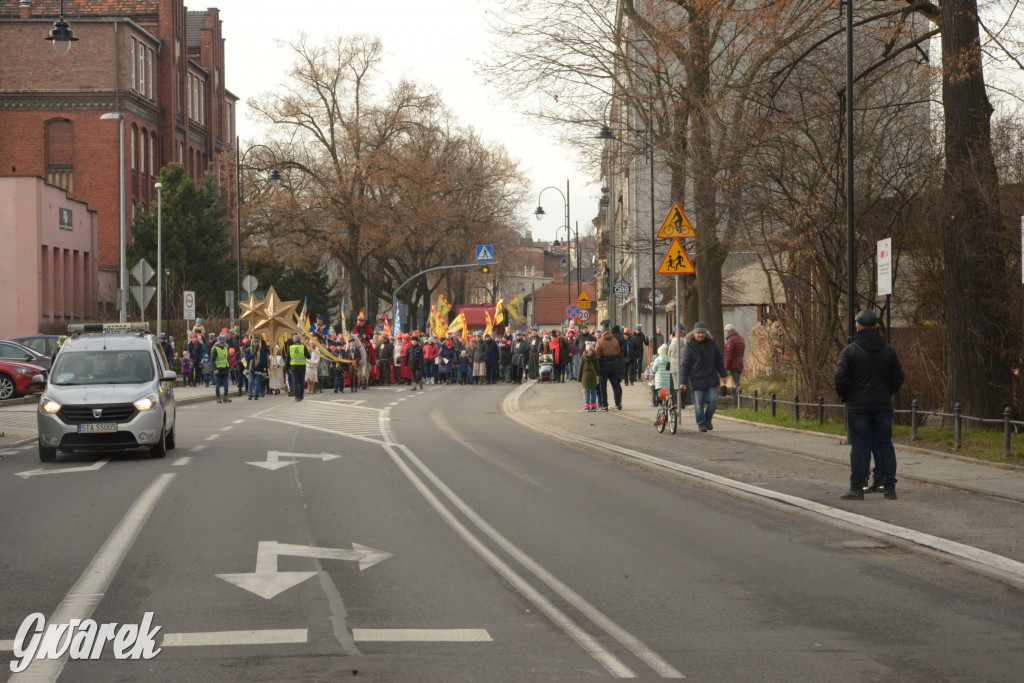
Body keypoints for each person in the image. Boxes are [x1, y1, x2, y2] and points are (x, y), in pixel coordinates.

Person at [833, 309, 905, 500]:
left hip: (858, 407)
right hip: (882, 405)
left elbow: (839, 378)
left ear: (857, 326)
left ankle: (857, 487)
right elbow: (898, 376)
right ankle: (889, 487)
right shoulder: (888, 350)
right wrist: (887, 392)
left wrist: (846, 396)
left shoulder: (850, 351)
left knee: (860, 446)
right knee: (885, 445)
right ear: (876, 326)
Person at [678, 322, 727, 433]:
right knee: (699, 404)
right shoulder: (689, 347)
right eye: (698, 333)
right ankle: (701, 423)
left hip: (711, 377)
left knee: (713, 400)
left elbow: (719, 360)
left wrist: (723, 374)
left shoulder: (712, 344)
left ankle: (708, 419)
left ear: (706, 333)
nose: (701, 335)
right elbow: (685, 365)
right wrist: (683, 382)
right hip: (697, 379)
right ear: (694, 333)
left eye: (703, 333)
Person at [595, 325, 622, 410]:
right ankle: (618, 404)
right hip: (613, 364)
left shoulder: (600, 341)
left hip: (603, 365)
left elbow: (597, 354)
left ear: (602, 332)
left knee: (603, 386)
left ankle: (604, 405)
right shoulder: (615, 340)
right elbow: (618, 351)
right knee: (615, 385)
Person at [723, 323, 746, 396]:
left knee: (733, 384)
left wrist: (726, 367)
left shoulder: (731, 340)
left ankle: (735, 400)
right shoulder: (741, 338)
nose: (726, 332)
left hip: (733, 366)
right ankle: (739, 398)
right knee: (737, 382)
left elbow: (728, 355)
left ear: (728, 331)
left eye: (726, 331)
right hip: (740, 364)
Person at [579, 340, 600, 412]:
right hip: (593, 376)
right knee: (593, 391)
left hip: (585, 376)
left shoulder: (583, 356)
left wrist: (579, 378)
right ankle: (593, 406)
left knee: (587, 391)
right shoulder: (595, 356)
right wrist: (597, 374)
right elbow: (597, 368)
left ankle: (587, 406)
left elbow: (580, 368)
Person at [288, 334, 310, 401]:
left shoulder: (290, 348)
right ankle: (301, 396)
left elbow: (287, 358)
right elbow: (309, 357)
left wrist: (288, 367)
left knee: (295, 382)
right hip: (302, 366)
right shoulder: (303, 347)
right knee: (301, 382)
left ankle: (296, 397)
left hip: (293, 367)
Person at [212, 336, 232, 403]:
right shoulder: (215, 349)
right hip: (219, 369)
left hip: (225, 368)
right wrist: (215, 369)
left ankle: (225, 397)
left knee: (226, 384)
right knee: (218, 384)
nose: (226, 342)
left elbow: (226, 358)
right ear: (222, 342)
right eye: (225, 341)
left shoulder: (225, 348)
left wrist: (229, 366)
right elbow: (212, 360)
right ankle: (218, 397)